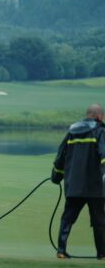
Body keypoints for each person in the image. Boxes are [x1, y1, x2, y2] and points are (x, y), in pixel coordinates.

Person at [51, 103, 105, 259]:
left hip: (74, 186)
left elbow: (61, 156)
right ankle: (102, 254)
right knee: (99, 221)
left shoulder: (72, 131)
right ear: (99, 116)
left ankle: (61, 250)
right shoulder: (100, 131)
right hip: (95, 187)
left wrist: (56, 176)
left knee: (67, 218)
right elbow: (104, 155)